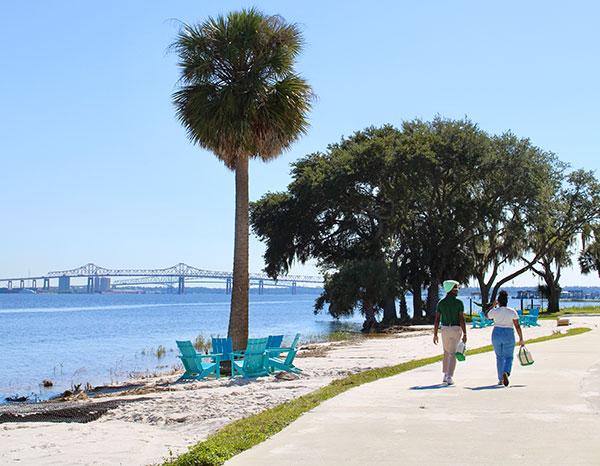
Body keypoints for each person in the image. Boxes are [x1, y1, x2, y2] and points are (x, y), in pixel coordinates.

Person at [486, 290, 525, 386]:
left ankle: (500, 379)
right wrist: (521, 338)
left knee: (499, 357)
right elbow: (517, 326)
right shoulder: (512, 311)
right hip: (508, 333)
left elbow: (487, 316)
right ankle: (506, 372)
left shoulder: (495, 311)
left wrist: (493, 305)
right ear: (507, 301)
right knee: (509, 356)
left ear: (498, 301)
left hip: (496, 333)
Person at [433, 280, 467, 385]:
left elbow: (437, 319)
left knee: (446, 352)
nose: (457, 290)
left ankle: (445, 374)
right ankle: (449, 376)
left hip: (444, 329)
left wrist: (435, 334)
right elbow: (461, 319)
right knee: (453, 353)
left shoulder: (441, 303)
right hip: (456, 329)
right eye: (455, 288)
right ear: (450, 289)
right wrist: (465, 333)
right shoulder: (459, 302)